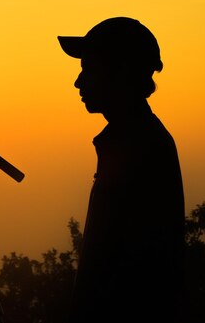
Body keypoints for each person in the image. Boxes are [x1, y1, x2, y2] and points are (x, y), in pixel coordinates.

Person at [58, 17, 185, 323]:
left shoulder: (137, 146)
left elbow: (122, 264)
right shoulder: (134, 138)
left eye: (88, 68)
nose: (78, 82)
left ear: (120, 71)